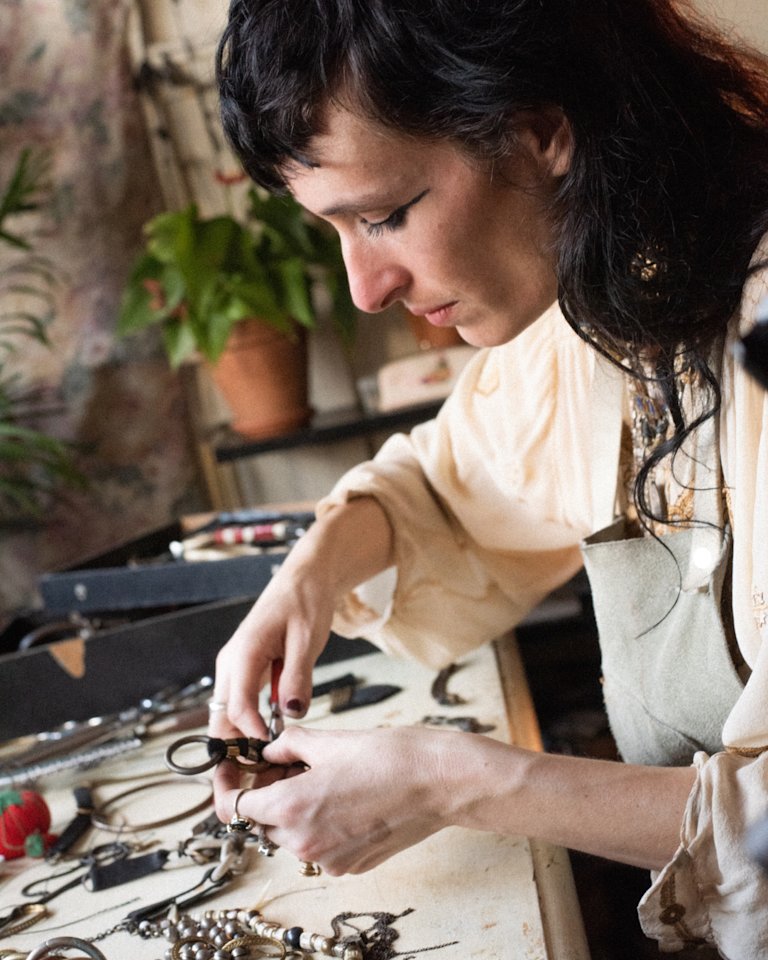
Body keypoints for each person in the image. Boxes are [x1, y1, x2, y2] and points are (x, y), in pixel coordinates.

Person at [209, 1, 768, 955]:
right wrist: (309, 573)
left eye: (385, 215)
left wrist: (452, 780)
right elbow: (446, 478)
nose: (364, 286)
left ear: (540, 129)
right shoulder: (611, 296)